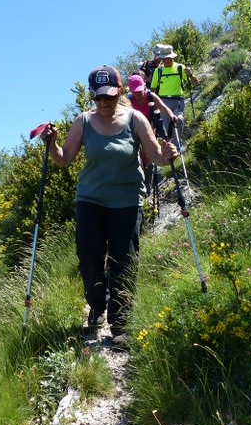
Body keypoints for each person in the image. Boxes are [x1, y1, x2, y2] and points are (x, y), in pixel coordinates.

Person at [40, 65, 177, 342]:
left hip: (127, 200)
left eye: (109, 96)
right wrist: (52, 144)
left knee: (124, 261)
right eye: (98, 97)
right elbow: (64, 158)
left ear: (120, 92)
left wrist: (166, 155)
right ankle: (97, 305)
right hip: (90, 199)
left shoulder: (135, 119)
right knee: (89, 255)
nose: (103, 102)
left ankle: (121, 324)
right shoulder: (83, 121)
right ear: (92, 96)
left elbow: (155, 156)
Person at [127, 73, 176, 194]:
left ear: (144, 87)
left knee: (148, 155)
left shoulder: (150, 96)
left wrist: (172, 117)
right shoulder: (128, 101)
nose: (138, 94)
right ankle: (139, 182)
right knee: (137, 156)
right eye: (135, 92)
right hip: (133, 130)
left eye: (140, 91)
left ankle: (147, 185)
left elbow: (164, 108)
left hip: (149, 128)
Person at [149, 44, 199, 141]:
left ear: (171, 57)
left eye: (166, 58)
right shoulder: (158, 71)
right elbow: (153, 89)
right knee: (164, 128)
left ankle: (177, 146)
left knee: (178, 119)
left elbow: (196, 83)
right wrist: (154, 103)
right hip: (163, 101)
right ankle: (167, 149)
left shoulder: (180, 68)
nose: (164, 60)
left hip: (178, 101)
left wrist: (191, 74)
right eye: (163, 58)